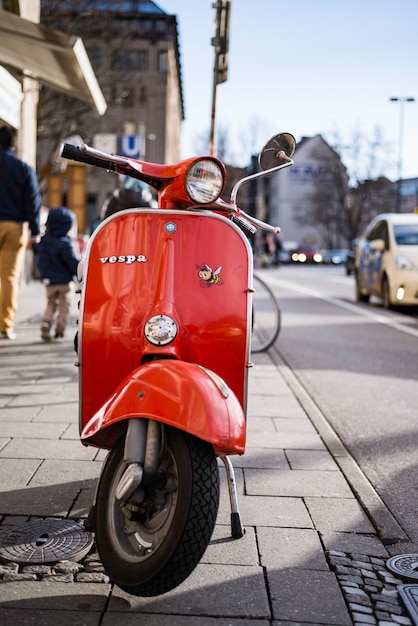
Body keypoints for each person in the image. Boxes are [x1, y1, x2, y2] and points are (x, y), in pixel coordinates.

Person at [0, 126, 41, 340]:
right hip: (14, 226)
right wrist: (35, 230)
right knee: (9, 278)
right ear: (14, 145)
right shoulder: (23, 168)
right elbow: (33, 201)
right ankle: (6, 327)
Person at [37, 207, 80, 342]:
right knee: (64, 306)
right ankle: (59, 331)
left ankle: (46, 322)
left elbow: (40, 260)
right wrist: (79, 272)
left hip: (49, 281)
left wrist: (45, 275)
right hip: (65, 282)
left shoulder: (44, 242)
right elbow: (73, 263)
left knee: (50, 303)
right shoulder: (66, 244)